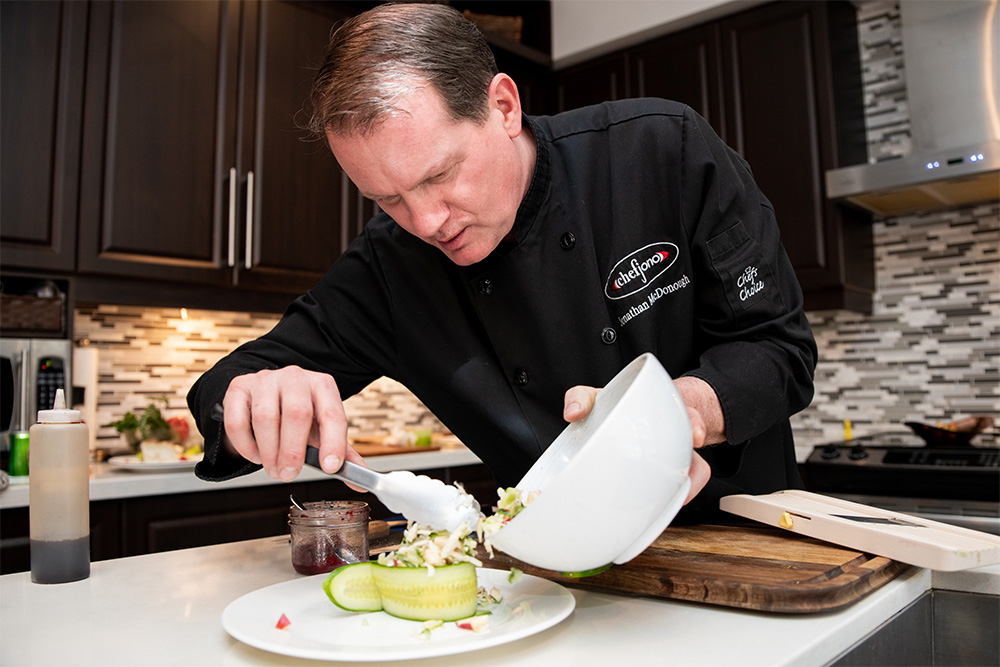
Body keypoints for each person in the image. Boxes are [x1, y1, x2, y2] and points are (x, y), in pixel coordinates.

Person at [188, 3, 816, 522]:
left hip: (748, 541)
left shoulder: (660, 150)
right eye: (387, 199)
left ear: (504, 106)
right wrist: (256, 395)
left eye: (440, 175)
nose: (427, 222)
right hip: (565, 579)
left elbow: (778, 348)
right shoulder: (390, 265)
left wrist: (686, 410)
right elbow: (224, 390)